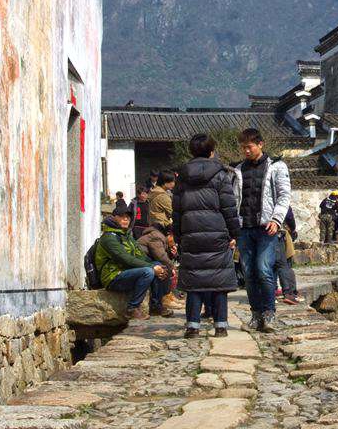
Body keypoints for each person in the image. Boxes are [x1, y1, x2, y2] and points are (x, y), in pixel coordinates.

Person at [172, 133, 241, 337]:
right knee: (218, 281)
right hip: (217, 233)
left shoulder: (182, 177)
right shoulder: (221, 175)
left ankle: (192, 326)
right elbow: (229, 207)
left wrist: (178, 235)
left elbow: (177, 211)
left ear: (191, 152)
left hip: (191, 234)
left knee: (195, 282)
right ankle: (220, 326)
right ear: (212, 152)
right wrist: (234, 232)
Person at [233, 128, 291, 333]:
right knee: (248, 273)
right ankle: (256, 314)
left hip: (267, 228)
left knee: (264, 270)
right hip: (244, 228)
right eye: (243, 147)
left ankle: (269, 313)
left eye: (249, 147)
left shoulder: (276, 167)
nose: (246, 151)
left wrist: (276, 219)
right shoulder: (238, 170)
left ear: (260, 144)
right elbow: (234, 200)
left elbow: (284, 196)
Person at [92, 211, 170, 314]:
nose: (126, 220)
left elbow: (140, 256)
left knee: (160, 267)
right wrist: (151, 267)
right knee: (148, 272)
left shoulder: (127, 235)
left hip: (127, 272)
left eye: (128, 218)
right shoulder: (109, 238)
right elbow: (125, 259)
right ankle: (133, 308)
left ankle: (156, 306)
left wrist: (156, 266)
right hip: (113, 276)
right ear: (114, 217)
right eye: (122, 216)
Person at [274, 204, 303, 306]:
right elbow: (289, 217)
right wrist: (292, 229)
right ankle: (289, 292)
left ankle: (270, 292)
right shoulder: (281, 201)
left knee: (267, 266)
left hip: (259, 235)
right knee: (283, 264)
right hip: (278, 234)